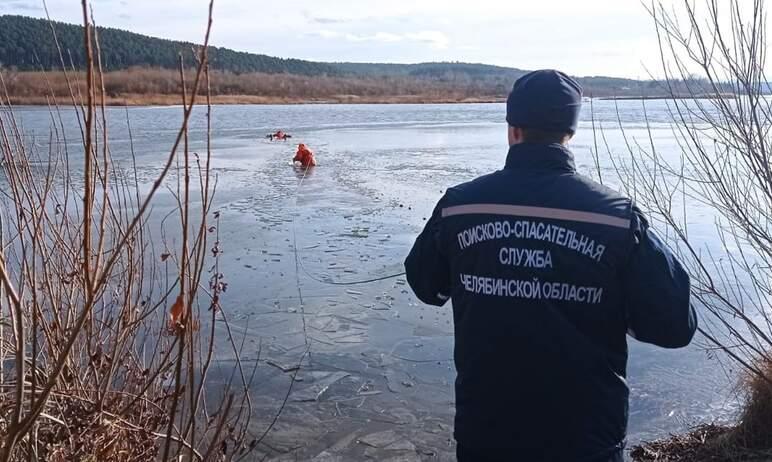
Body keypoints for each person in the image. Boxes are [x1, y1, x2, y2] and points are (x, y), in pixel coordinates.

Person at [404, 70, 697, 462]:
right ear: (569, 133)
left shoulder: (460, 206)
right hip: (586, 440)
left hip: (486, 436)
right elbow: (676, 325)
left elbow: (426, 285)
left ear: (513, 129)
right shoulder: (615, 218)